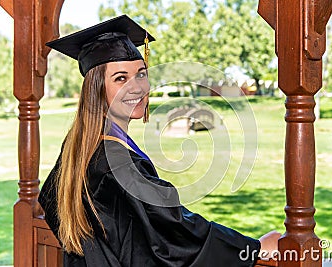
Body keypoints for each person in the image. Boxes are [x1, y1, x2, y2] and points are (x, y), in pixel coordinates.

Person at [38, 15, 280, 267]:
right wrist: (254, 248)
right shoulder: (119, 164)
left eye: (141, 74)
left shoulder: (80, 148)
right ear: (96, 89)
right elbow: (175, 229)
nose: (137, 87)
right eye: (120, 78)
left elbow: (53, 203)